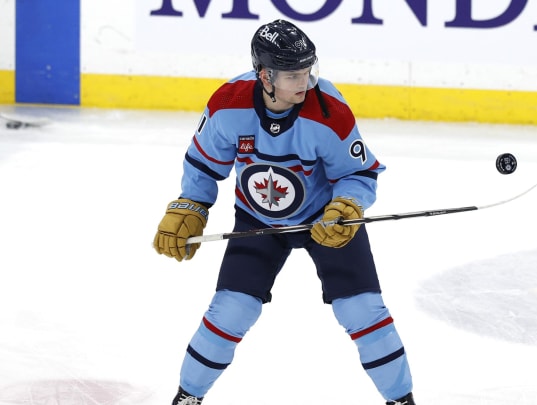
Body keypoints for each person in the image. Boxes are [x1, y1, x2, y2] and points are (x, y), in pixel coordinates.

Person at [153, 19, 417, 405]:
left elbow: (359, 173)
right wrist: (192, 204)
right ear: (265, 75)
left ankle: (401, 400)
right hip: (258, 220)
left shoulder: (329, 111)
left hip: (328, 221)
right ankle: (187, 397)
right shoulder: (228, 105)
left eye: (309, 71)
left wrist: (347, 206)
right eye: (294, 74)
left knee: (363, 310)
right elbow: (204, 165)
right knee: (230, 312)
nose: (305, 82)